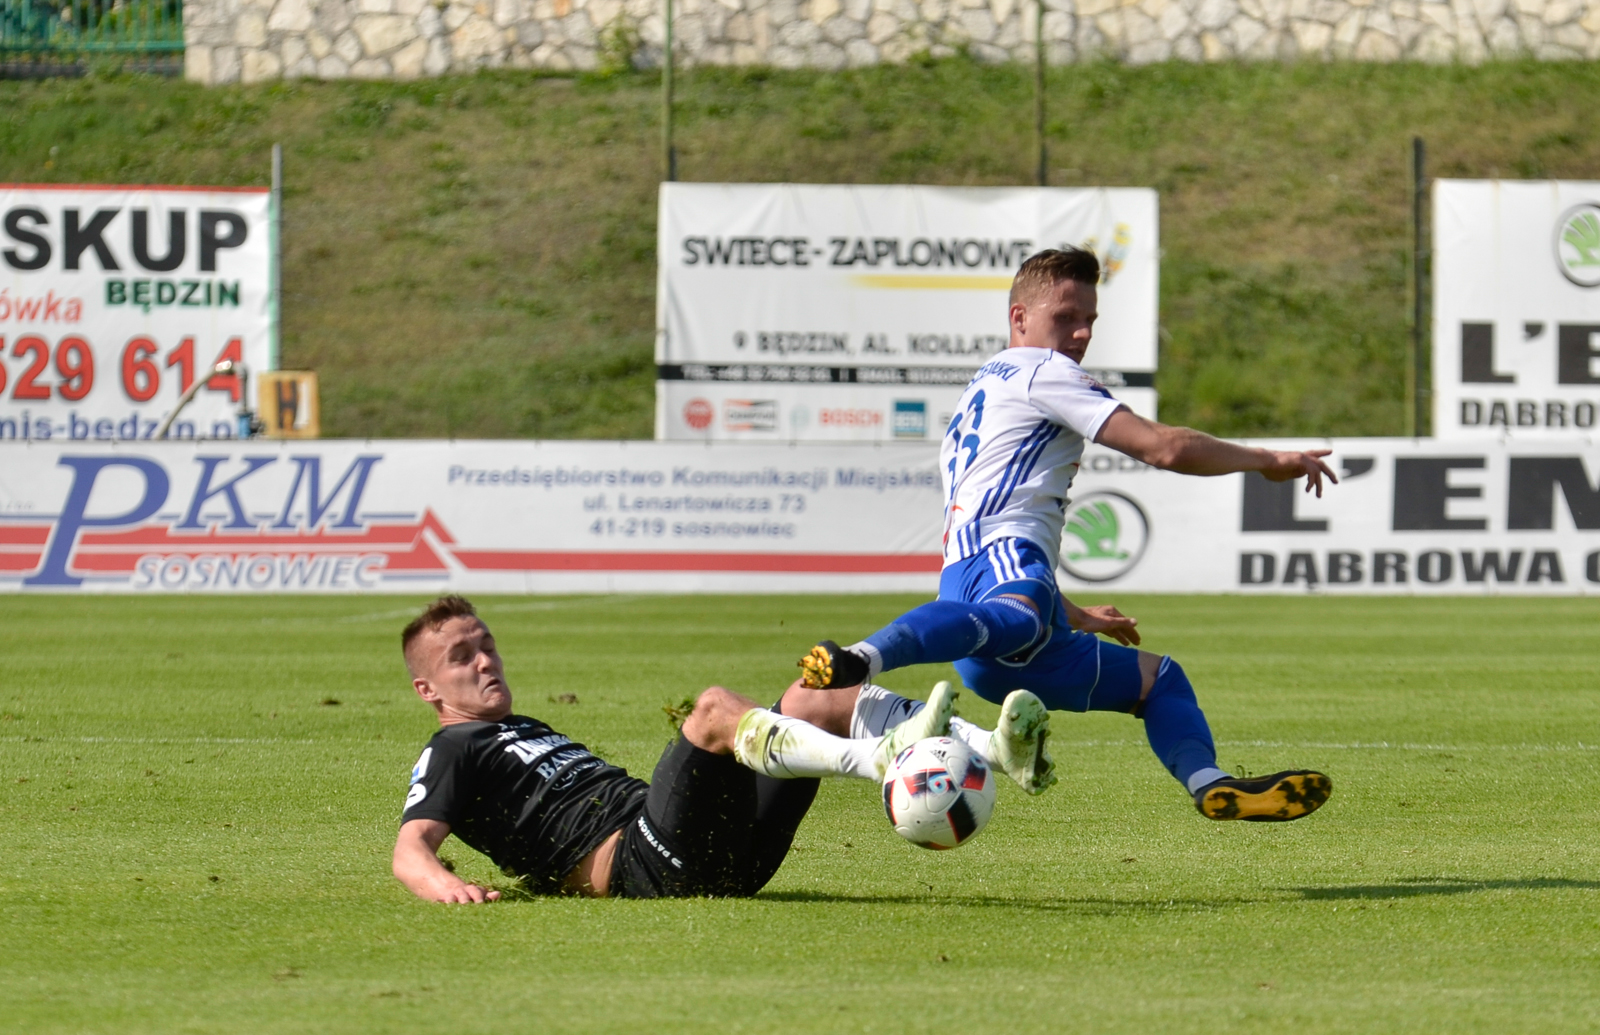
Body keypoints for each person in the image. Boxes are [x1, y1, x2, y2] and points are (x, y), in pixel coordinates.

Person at [797, 247, 1336, 822]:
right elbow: (1165, 448)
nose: (1081, 333)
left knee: (1159, 681)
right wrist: (1265, 460)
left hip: (985, 599)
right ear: (1019, 318)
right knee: (1024, 614)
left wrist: (1070, 613)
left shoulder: (987, 381)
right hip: (1000, 566)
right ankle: (861, 658)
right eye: (1065, 317)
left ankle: (1211, 783)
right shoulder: (1042, 370)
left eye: (1090, 320)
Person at [392, 595, 1050, 903]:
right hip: (646, 868)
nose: (485, 660)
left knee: (812, 696)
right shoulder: (452, 748)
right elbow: (409, 850)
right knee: (711, 710)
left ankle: (994, 750)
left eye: (486, 645)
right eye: (461, 656)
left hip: (723, 853)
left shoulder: (523, 726)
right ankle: (880, 758)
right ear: (428, 688)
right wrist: (447, 886)